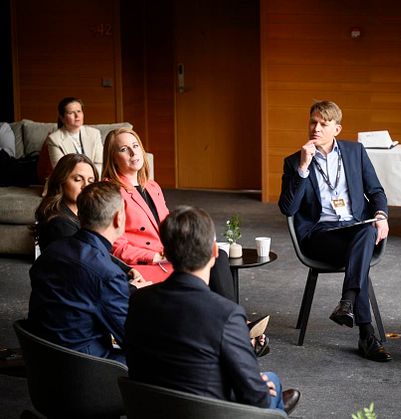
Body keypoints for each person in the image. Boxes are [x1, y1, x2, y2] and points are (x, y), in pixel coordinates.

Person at [125, 206, 300, 414]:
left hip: (152, 408)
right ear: (215, 252)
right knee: (272, 384)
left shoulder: (138, 301)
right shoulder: (226, 314)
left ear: (166, 253)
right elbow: (257, 399)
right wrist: (259, 388)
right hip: (206, 410)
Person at [278, 100, 391, 362]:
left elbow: (375, 191)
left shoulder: (355, 152)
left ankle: (352, 310)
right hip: (320, 234)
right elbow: (288, 208)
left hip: (354, 228)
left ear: (336, 129)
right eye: (312, 122)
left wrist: (381, 215)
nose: (315, 128)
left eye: (323, 124)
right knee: (362, 242)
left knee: (365, 231)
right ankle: (363, 328)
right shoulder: (294, 162)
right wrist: (303, 169)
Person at [101, 127, 235, 300]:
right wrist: (155, 256)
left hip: (168, 255)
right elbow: (114, 245)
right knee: (199, 271)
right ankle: (233, 322)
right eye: (124, 149)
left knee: (217, 255)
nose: (133, 152)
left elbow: (169, 226)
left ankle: (231, 317)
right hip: (143, 264)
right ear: (113, 158)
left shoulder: (151, 186)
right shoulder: (110, 191)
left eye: (135, 146)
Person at [27, 182, 130, 363]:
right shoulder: (107, 274)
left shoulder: (52, 251)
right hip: (86, 368)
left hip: (42, 361)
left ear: (80, 215)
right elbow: (130, 338)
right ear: (118, 218)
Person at [32, 153, 150, 290]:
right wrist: (129, 288)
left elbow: (95, 253)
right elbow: (87, 270)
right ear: (61, 181)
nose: (85, 186)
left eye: (90, 181)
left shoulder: (82, 213)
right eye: (77, 179)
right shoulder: (58, 224)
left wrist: (126, 270)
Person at [41, 97, 104, 177]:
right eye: (71, 113)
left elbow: (99, 163)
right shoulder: (54, 139)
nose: (77, 116)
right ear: (62, 118)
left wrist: (91, 180)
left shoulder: (94, 134)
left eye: (79, 111)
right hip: (66, 180)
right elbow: (61, 170)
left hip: (94, 179)